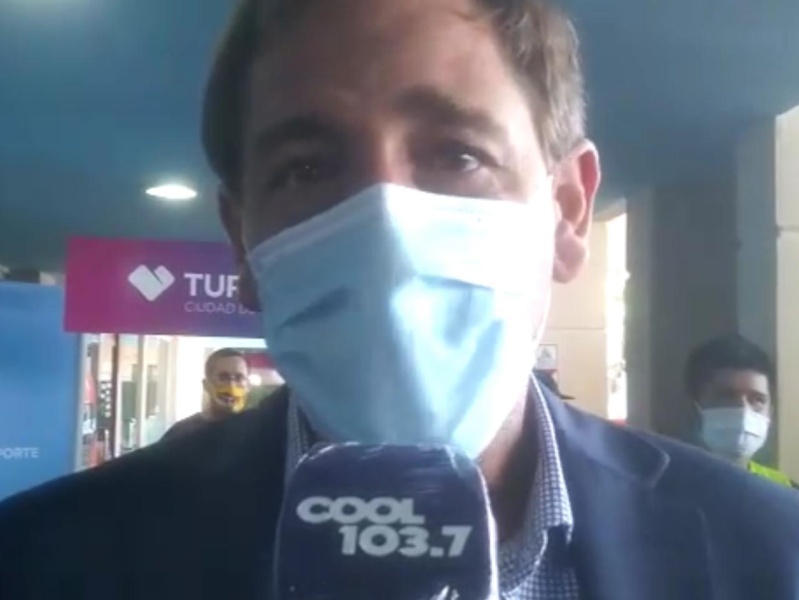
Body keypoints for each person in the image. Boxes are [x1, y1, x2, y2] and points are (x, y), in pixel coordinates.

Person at [1, 0, 798, 598]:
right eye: (307, 169)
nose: (383, 222)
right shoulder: (44, 562)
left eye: (457, 154)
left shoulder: (771, 553)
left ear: (565, 210)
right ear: (242, 242)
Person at [686, 333, 798, 489]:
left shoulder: (784, 489)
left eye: (757, 400)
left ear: (770, 413)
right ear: (695, 408)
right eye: (727, 397)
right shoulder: (664, 486)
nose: (743, 410)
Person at [161, 348, 251, 441]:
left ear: (248, 386)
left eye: (239, 378)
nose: (231, 386)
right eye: (223, 377)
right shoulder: (181, 433)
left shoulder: (256, 434)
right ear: (206, 385)